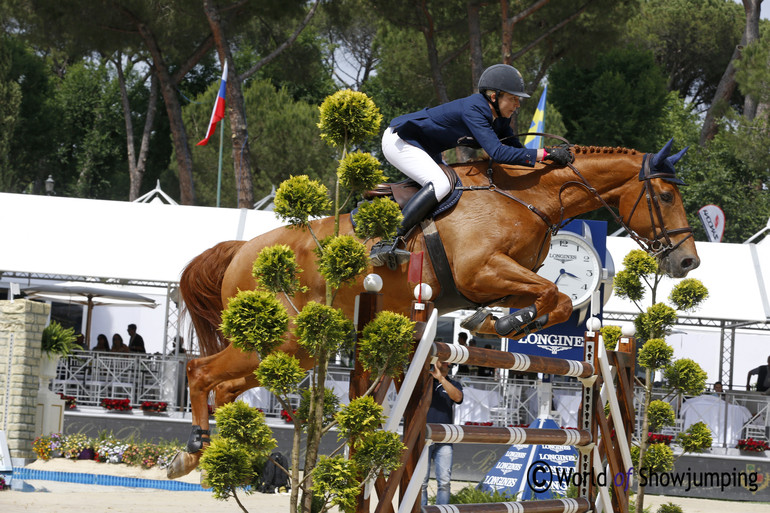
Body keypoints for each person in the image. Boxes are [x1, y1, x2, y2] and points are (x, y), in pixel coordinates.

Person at [370, 63, 573, 268]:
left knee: (454, 188)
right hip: (401, 141)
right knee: (441, 184)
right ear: (493, 96)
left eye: (518, 99)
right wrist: (546, 153)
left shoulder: (501, 119)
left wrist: (549, 162)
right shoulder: (475, 108)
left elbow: (515, 149)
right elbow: (498, 153)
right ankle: (390, 241)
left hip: (427, 148)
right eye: (513, 98)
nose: (517, 104)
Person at [422, 360, 463, 505]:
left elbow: (458, 398)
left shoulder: (454, 384)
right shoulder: (425, 382)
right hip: (424, 438)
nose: (447, 362)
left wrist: (441, 378)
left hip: (445, 439)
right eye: (443, 359)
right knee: (421, 483)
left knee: (444, 483)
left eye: (449, 360)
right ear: (435, 361)